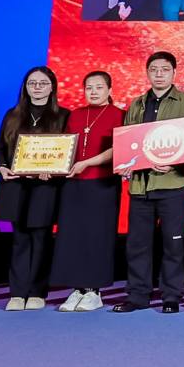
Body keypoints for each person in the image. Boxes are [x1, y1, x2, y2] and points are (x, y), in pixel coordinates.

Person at [117, 51, 184, 313]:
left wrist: (174, 163)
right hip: (140, 186)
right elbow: (129, 142)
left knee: (173, 243)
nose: (159, 74)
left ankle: (171, 295)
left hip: (173, 183)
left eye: (165, 69)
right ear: (147, 73)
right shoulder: (137, 104)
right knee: (137, 244)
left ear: (174, 73)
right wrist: (131, 164)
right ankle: (138, 295)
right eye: (154, 69)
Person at [0, 67, 64, 312]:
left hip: (45, 186)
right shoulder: (12, 115)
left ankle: (37, 292)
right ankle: (17, 292)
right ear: (25, 87)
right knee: (20, 239)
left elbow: (67, 151)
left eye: (43, 83)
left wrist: (53, 169)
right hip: (16, 185)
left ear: (52, 87)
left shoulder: (63, 115)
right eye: (32, 83)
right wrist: (1, 168)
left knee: (41, 239)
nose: (37, 87)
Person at [49, 69, 123, 311]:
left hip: (102, 183)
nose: (93, 92)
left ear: (109, 90)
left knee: (97, 236)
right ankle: (77, 288)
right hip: (73, 183)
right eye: (89, 87)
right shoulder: (76, 114)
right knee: (72, 236)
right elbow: (64, 147)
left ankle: (94, 290)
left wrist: (88, 163)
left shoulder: (118, 114)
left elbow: (118, 148)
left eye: (99, 87)